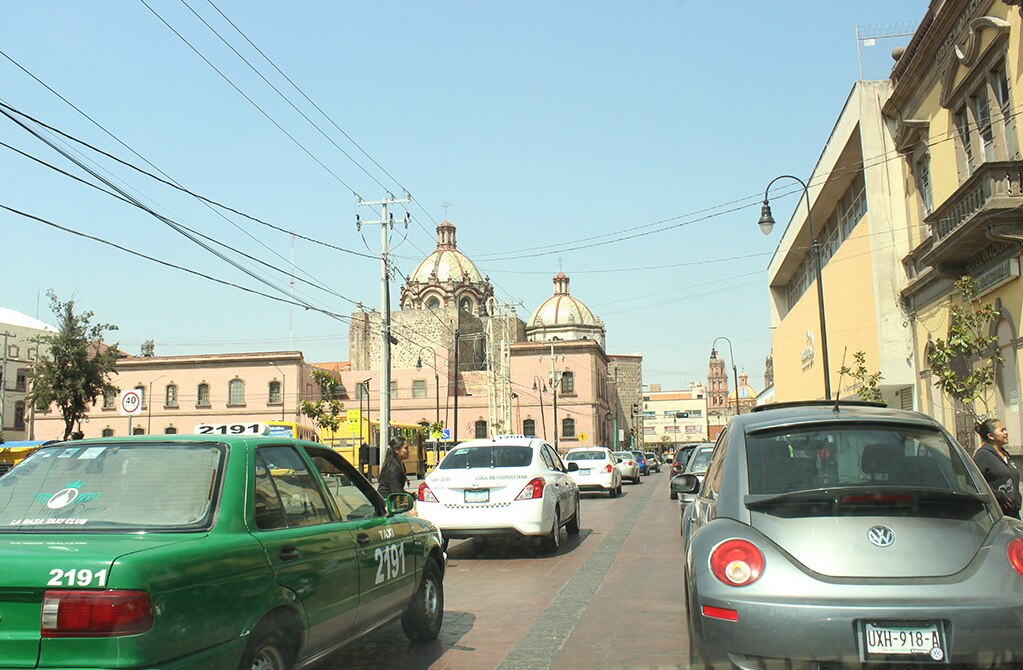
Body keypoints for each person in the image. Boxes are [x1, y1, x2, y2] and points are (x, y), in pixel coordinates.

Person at [973, 418, 1021, 520]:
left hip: (1013, 514)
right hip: (995, 515)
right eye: (1002, 430)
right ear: (991, 436)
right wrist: (999, 496)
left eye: (1005, 429)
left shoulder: (1005, 454)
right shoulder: (982, 456)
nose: (1006, 433)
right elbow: (974, 483)